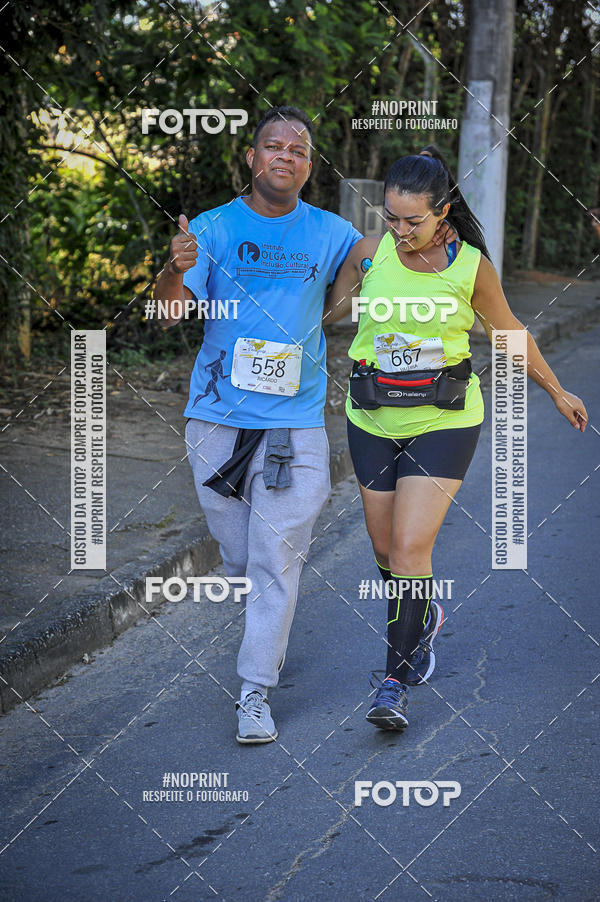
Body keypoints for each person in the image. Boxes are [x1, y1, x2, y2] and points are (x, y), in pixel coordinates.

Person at [155, 108, 452, 744]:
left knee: (274, 562)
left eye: (298, 150)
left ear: (309, 167)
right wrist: (175, 267)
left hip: (296, 427)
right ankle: (267, 638)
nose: (285, 156)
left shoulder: (330, 232)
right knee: (241, 562)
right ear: (252, 157)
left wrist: (430, 206)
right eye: (273, 146)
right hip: (215, 421)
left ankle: (254, 692)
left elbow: (386, 254)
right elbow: (169, 313)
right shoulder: (210, 229)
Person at [324, 146, 588, 732]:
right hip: (371, 415)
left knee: (411, 547)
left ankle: (394, 682)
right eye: (390, 217)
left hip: (444, 419)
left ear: (443, 211)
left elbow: (510, 335)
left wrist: (556, 389)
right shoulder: (369, 256)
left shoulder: (470, 267)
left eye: (412, 220)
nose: (399, 231)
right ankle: (421, 615)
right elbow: (325, 317)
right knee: (386, 552)